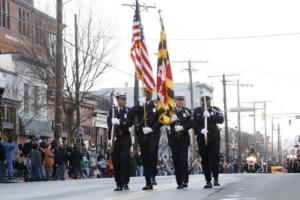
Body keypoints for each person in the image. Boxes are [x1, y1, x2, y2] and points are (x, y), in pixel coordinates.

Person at [128, 88, 161, 190]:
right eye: (145, 92)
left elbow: (162, 120)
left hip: (153, 134)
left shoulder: (156, 104)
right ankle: (148, 182)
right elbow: (130, 114)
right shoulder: (140, 103)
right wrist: (139, 105)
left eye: (149, 92)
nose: (147, 94)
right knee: (145, 158)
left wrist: (152, 128)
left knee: (152, 155)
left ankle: (153, 176)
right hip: (142, 135)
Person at [193, 95, 224, 189]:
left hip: (213, 136)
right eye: (203, 101)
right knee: (205, 159)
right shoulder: (197, 110)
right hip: (202, 136)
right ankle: (208, 180)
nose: (205, 102)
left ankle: (216, 178)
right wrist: (200, 130)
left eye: (207, 100)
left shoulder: (216, 109)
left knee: (214, 158)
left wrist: (210, 116)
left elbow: (221, 120)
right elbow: (193, 122)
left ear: (210, 101)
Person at [107, 92, 133, 191]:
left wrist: (120, 122)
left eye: (125, 99)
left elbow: (130, 123)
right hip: (115, 139)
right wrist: (109, 139)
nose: (124, 101)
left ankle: (125, 183)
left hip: (125, 138)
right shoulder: (111, 110)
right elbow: (109, 125)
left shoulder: (128, 110)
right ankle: (118, 183)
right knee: (116, 161)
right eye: (122, 99)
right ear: (117, 100)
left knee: (125, 160)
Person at [168, 95, 192, 189]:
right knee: (176, 161)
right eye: (179, 100)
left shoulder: (187, 111)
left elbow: (191, 123)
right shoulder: (170, 111)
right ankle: (179, 182)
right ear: (175, 101)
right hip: (174, 140)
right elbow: (164, 122)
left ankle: (185, 180)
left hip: (183, 139)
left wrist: (183, 127)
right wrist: (171, 121)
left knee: (183, 160)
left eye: (182, 100)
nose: (181, 101)